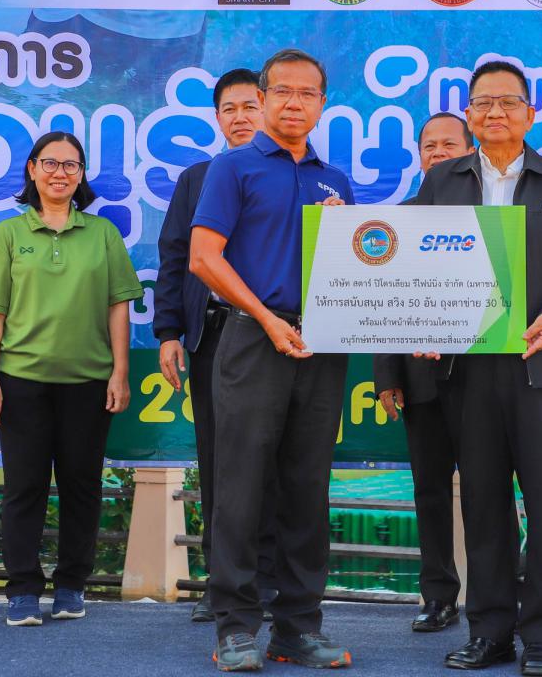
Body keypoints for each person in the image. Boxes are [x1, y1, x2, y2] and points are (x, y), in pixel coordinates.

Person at [415, 61, 542, 677]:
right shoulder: (442, 181)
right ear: (469, 115)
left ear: (530, 113)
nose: (495, 112)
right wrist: (421, 322)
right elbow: (410, 262)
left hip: (541, 365)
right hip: (468, 369)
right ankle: (491, 632)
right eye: (483, 103)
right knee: (482, 503)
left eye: (507, 102)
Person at [189, 49, 354, 671]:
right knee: (240, 487)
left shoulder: (335, 181)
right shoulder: (232, 167)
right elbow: (204, 258)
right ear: (262, 100)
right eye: (282, 91)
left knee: (307, 490)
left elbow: (355, 269)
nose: (294, 103)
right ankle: (235, 627)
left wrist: (345, 236)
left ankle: (297, 629)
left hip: (321, 344)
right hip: (253, 338)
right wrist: (266, 318)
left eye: (307, 93)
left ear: (322, 104)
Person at [0, 131, 143, 627]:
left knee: (81, 487)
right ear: (32, 169)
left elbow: (118, 307)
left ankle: (72, 585)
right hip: (20, 381)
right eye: (50, 163)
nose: (60, 173)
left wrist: (120, 373)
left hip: (88, 383)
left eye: (71, 165)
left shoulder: (102, 234)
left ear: (81, 174)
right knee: (24, 487)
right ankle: (23, 590)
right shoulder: (8, 234)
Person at [154, 68, 278, 624]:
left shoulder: (297, 175)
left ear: (269, 108)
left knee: (273, 460)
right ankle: (223, 585)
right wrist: (168, 333)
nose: (240, 117)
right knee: (219, 462)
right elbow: (175, 258)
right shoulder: (198, 179)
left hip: (276, 338)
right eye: (229, 109)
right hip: (211, 335)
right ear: (218, 119)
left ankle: (270, 583)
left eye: (250, 106)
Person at [374, 113, 475, 634]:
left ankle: (498, 593)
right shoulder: (400, 219)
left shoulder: (491, 213)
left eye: (448, 144)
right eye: (429, 146)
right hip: (419, 381)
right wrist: (386, 376)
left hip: (483, 380)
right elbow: (381, 302)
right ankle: (438, 596)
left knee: (489, 490)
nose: (438, 153)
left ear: (471, 151)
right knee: (430, 492)